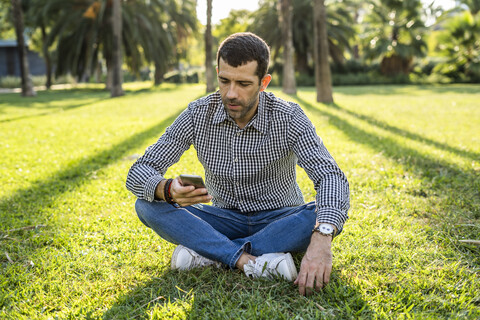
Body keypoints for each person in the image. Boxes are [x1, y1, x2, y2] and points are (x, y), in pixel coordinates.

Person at [126, 32, 350, 296]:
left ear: (263, 82)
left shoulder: (289, 117)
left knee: (319, 214)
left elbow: (331, 177)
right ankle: (250, 261)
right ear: (217, 72)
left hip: (280, 219)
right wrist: (166, 189)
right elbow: (140, 171)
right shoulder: (198, 113)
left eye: (243, 84)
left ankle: (212, 253)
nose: (231, 93)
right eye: (224, 81)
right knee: (147, 204)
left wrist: (322, 238)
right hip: (222, 217)